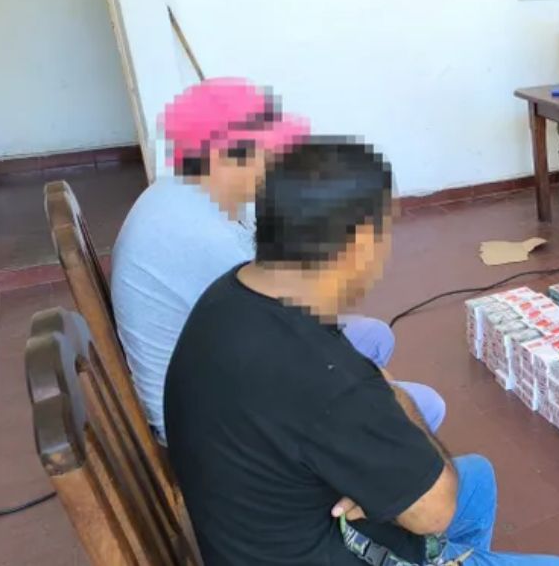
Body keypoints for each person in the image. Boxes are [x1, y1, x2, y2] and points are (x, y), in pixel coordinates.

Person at [164, 138, 559, 566]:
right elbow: (436, 511)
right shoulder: (329, 383)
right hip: (320, 546)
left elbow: (346, 393)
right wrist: (391, 409)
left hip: (255, 523)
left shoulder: (237, 292)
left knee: (479, 480)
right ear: (361, 243)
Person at [111, 78, 445, 443]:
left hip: (218, 367)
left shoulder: (194, 193)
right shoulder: (196, 231)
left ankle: (359, 447)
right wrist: (376, 392)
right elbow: (292, 330)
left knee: (374, 337)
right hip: (205, 416)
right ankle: (354, 464)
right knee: (424, 405)